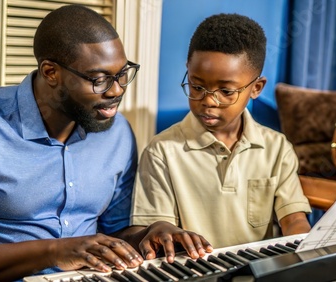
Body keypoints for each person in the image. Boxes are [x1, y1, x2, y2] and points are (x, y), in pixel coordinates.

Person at [0, 5, 210, 281]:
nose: (117, 90)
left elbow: (114, 232)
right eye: (99, 79)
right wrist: (53, 252)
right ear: (51, 72)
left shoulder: (117, 131)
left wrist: (150, 232)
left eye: (122, 74)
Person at [131, 13, 312, 249]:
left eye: (226, 92)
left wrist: (308, 252)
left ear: (256, 88)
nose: (209, 101)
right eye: (197, 86)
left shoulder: (277, 148)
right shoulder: (162, 151)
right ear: (188, 70)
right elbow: (157, 229)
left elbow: (294, 219)